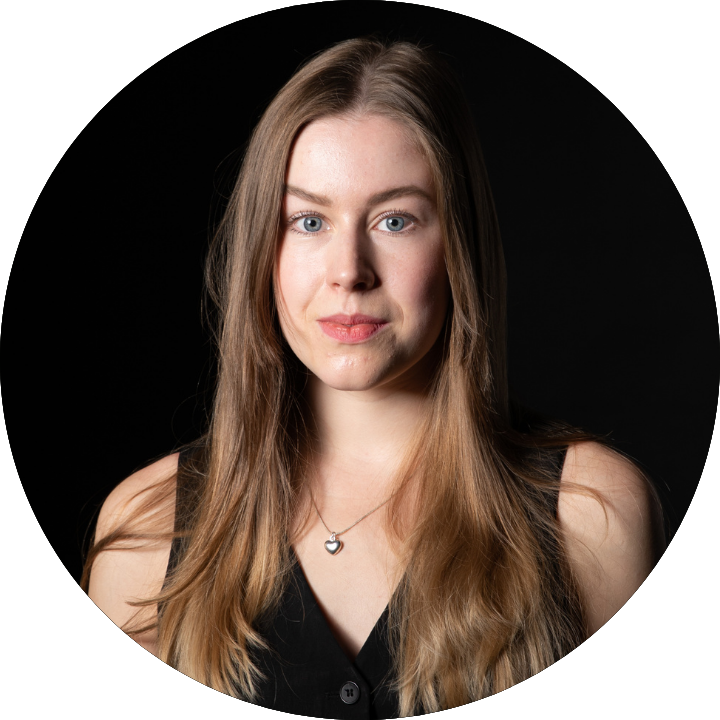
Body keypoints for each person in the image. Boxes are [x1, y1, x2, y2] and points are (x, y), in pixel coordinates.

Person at [83, 38, 662, 718]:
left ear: (459, 244)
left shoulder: (589, 513)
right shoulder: (147, 528)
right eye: (308, 221)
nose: (349, 271)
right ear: (264, 250)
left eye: (395, 220)